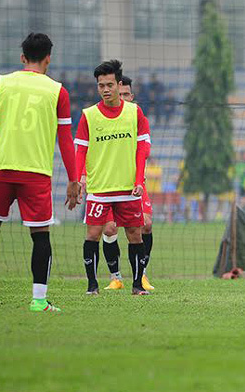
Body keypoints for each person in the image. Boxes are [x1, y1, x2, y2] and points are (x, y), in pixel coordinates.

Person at [0, 33, 80, 312]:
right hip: (36, 174)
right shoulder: (58, 91)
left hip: (1, 169)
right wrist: (74, 180)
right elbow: (65, 140)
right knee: (40, 235)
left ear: (22, 57)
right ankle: (39, 300)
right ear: (48, 59)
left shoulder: (1, 83)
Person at [74, 60, 151, 296]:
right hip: (99, 189)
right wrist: (78, 179)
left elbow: (142, 150)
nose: (105, 90)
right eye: (100, 86)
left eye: (109, 85)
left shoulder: (134, 112)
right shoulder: (89, 115)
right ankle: (92, 286)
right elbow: (80, 151)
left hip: (128, 188)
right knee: (94, 235)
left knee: (135, 234)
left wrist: (139, 180)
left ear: (119, 84)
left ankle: (137, 285)